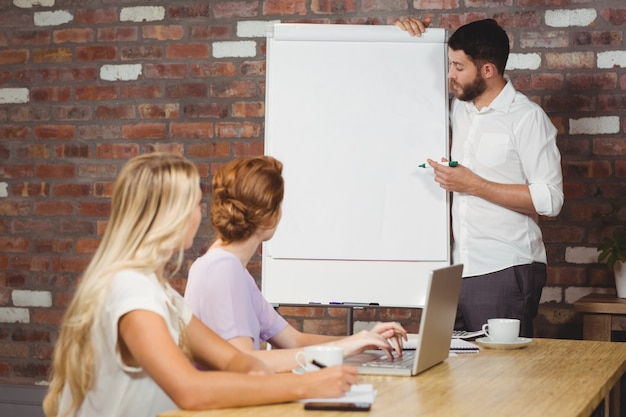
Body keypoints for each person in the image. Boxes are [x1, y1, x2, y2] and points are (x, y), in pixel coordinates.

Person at [42, 152, 360, 417]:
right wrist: (309, 385)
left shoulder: (160, 293)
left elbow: (233, 359)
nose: (201, 214)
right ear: (171, 215)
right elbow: (190, 390)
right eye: (195, 204)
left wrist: (266, 371)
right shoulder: (130, 290)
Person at [395, 18, 563, 338]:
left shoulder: (526, 118)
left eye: (458, 67)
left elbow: (550, 199)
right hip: (460, 270)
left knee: (501, 381)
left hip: (505, 267)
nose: (450, 75)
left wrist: (474, 185)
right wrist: (409, 37)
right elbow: (408, 98)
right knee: (458, 379)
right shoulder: (462, 108)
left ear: (487, 70)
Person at [185, 155, 407, 373]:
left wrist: (362, 339)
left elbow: (293, 340)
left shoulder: (230, 269)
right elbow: (244, 363)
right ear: (272, 216)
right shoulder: (222, 269)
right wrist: (342, 348)